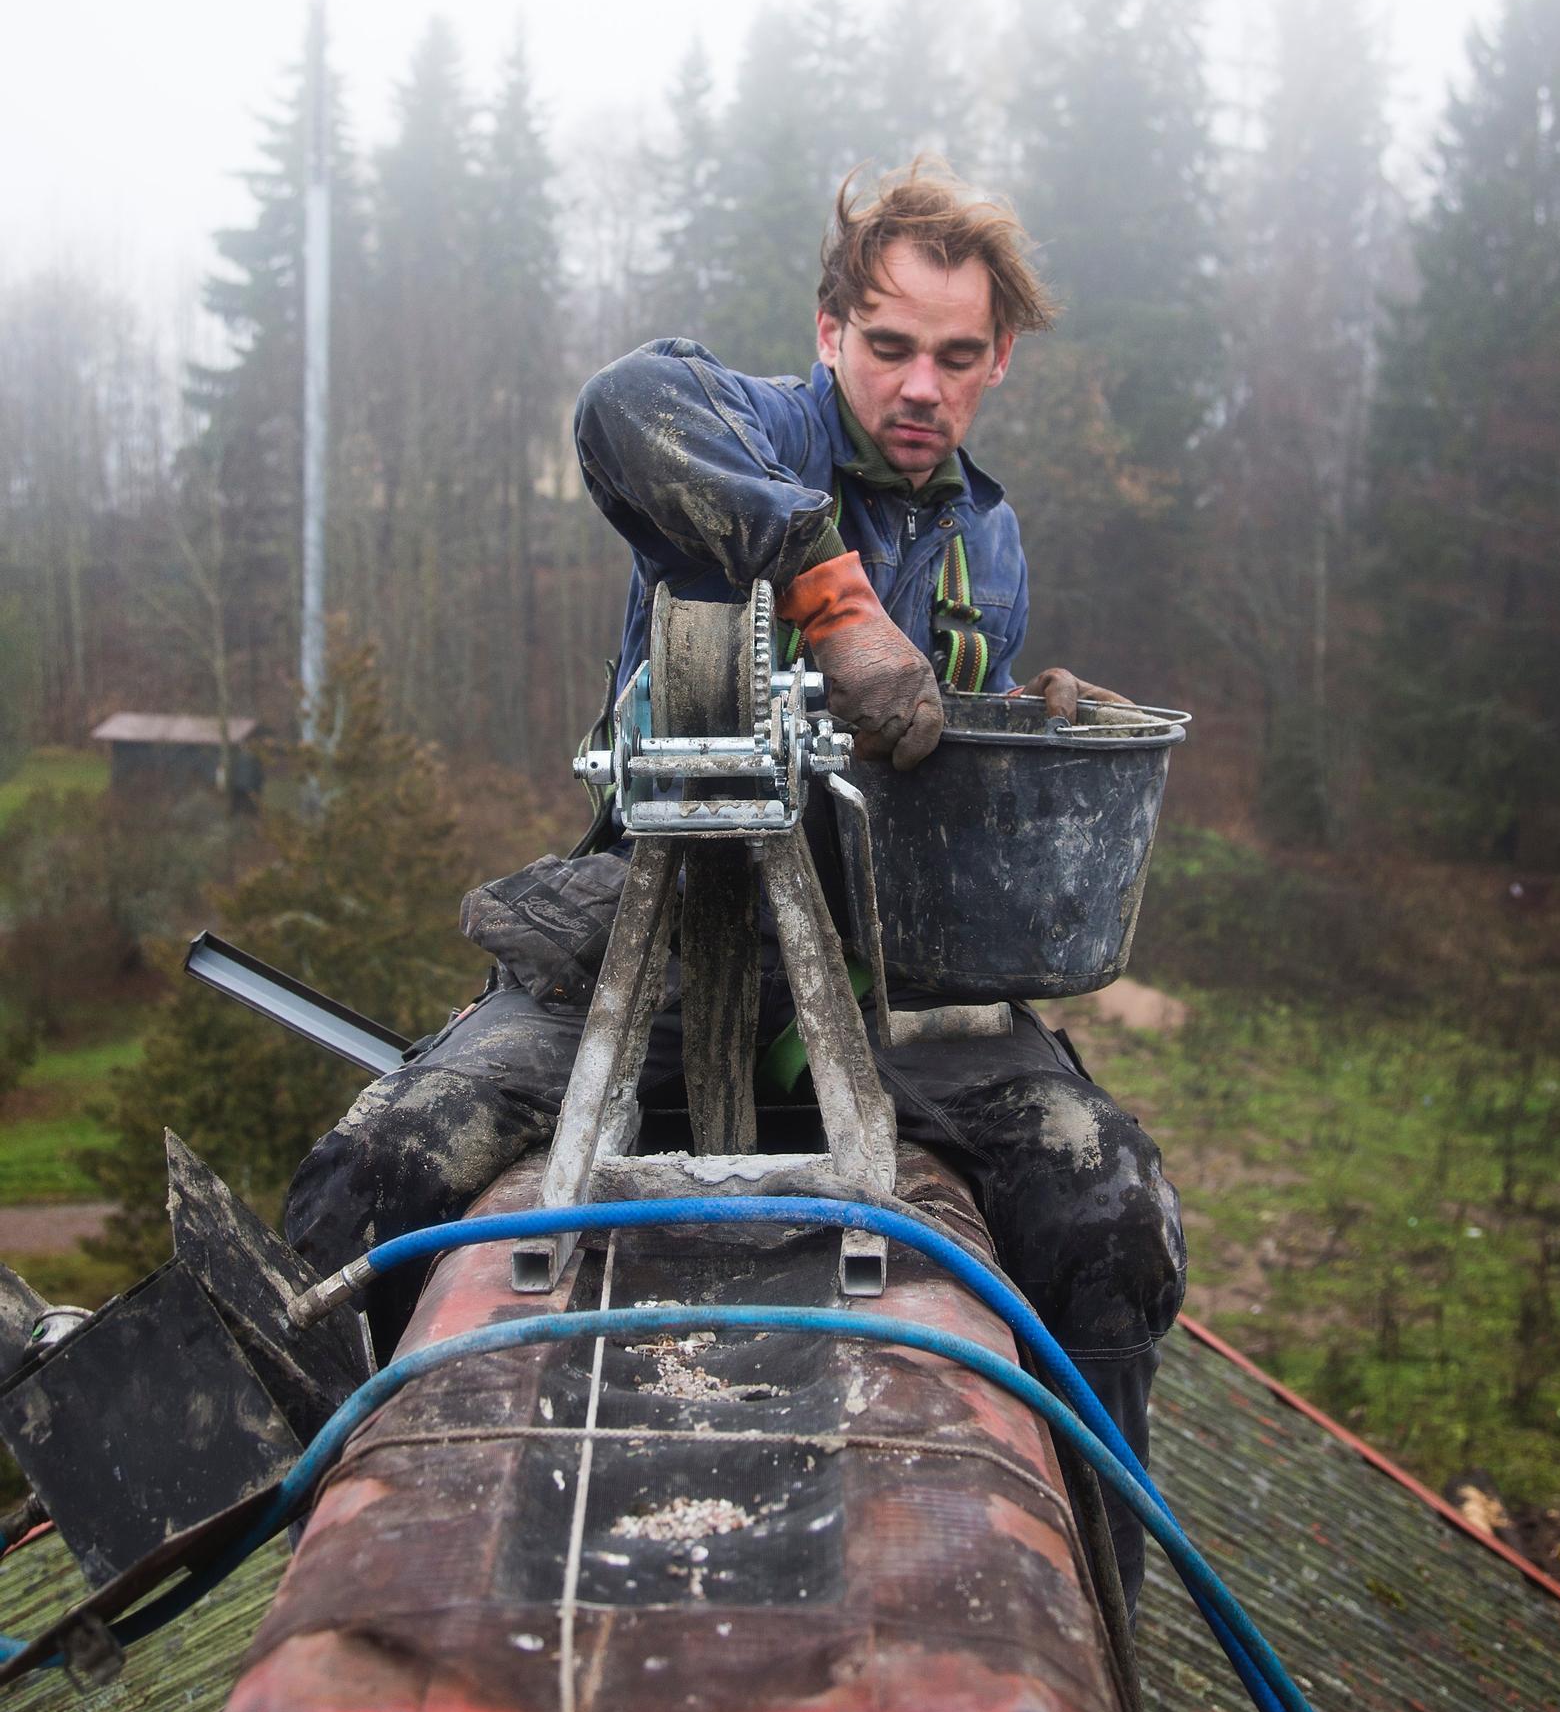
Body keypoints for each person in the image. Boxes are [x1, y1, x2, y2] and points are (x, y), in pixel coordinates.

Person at [285, 161, 1186, 1616]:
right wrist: (829, 602)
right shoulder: (742, 429)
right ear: (829, 329)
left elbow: (932, 775)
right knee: (370, 1182)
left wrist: (1023, 726)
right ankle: (343, 1599)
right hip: (660, 949)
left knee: (1110, 1223)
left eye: (956, 358)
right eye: (887, 344)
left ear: (996, 362)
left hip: (894, 985)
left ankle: (1097, 1634)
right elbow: (615, 408)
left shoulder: (986, 542)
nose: (918, 387)